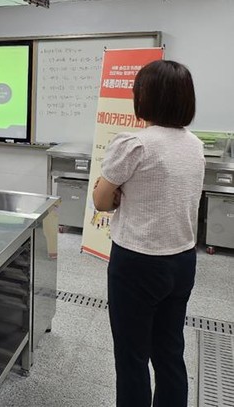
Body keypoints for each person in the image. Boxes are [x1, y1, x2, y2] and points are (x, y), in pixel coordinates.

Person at [92, 60, 204, 407]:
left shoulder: (134, 143)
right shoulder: (194, 144)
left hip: (137, 262)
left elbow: (101, 200)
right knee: (169, 352)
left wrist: (114, 192)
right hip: (182, 260)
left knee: (132, 358)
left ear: (145, 97)